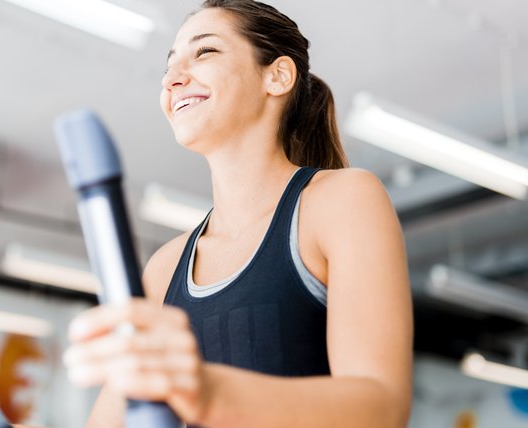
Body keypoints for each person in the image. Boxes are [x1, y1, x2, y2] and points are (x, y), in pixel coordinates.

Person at [62, 0, 413, 426]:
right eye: (168, 67)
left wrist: (206, 391)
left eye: (204, 52)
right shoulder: (165, 267)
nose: (172, 80)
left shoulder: (341, 200)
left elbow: (381, 409)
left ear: (277, 75)